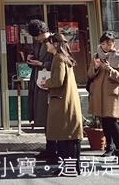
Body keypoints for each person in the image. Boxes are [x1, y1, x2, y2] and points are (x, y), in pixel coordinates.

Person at [44, 33, 83, 174]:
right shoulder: (65, 57)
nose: (46, 45)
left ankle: (71, 168)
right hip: (69, 100)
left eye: (48, 42)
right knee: (73, 136)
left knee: (68, 136)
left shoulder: (58, 58)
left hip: (63, 101)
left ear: (55, 44)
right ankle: (75, 167)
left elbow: (58, 81)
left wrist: (46, 82)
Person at [87, 31, 119, 163]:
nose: (105, 46)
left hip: (111, 94)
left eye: (108, 44)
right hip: (99, 93)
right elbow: (90, 75)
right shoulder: (96, 55)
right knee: (104, 120)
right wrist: (96, 67)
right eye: (103, 43)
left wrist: (110, 69)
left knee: (112, 121)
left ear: (113, 43)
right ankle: (109, 147)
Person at [26, 19, 57, 161]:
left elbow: (62, 61)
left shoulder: (56, 41)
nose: (37, 39)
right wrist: (31, 59)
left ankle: (54, 149)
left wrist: (41, 63)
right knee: (45, 119)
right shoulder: (40, 44)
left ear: (44, 31)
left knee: (51, 119)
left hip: (49, 84)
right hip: (39, 82)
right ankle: (50, 148)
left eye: (37, 36)